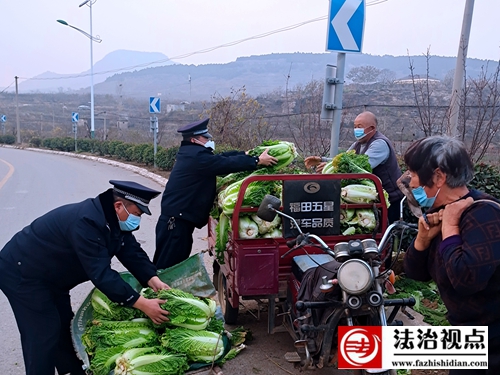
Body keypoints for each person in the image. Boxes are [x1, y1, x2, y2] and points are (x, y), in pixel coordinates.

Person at [0, 180, 171, 375]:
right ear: (118, 205)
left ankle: (73, 370)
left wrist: (152, 278)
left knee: (64, 326)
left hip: (52, 279)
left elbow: (131, 252)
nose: (138, 220)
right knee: (42, 334)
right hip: (23, 274)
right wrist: (142, 304)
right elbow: (101, 274)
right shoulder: (87, 222)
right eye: (137, 214)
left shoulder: (113, 220)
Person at [402, 135, 500, 374]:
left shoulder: (483, 214)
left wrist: (450, 229)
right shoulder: (442, 212)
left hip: (491, 345)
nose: (411, 183)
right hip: (466, 336)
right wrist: (422, 241)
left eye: (414, 174)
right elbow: (416, 273)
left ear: (438, 177)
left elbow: (465, 279)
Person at [154, 118, 278, 269]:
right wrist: (256, 161)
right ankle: (154, 291)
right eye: (205, 138)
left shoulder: (192, 153)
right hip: (174, 224)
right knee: (167, 268)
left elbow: (221, 158)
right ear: (194, 140)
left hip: (179, 221)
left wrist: (246, 154)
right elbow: (224, 164)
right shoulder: (196, 157)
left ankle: (158, 290)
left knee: (173, 264)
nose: (208, 140)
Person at [304, 111, 404, 223]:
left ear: (371, 128)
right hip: (373, 198)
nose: (356, 130)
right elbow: (345, 159)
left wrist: (331, 168)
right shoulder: (358, 144)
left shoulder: (379, 144)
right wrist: (322, 160)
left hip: (390, 199)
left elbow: (361, 166)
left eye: (359, 127)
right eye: (355, 126)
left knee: (387, 232)